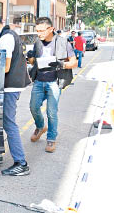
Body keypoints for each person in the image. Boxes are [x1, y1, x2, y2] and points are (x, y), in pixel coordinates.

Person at [0, 12, 32, 176]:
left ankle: (21, 163)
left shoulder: (6, 38)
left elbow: (6, 67)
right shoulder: (7, 35)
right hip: (9, 85)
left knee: (9, 123)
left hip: (10, 87)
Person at [27, 17, 77, 153]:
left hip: (54, 82)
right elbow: (33, 63)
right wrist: (30, 57)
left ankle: (51, 138)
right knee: (33, 107)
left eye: (42, 31)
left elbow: (74, 62)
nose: (39, 33)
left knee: (51, 112)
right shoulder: (38, 42)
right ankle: (40, 126)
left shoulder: (62, 42)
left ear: (51, 29)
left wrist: (62, 64)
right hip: (38, 81)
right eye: (37, 31)